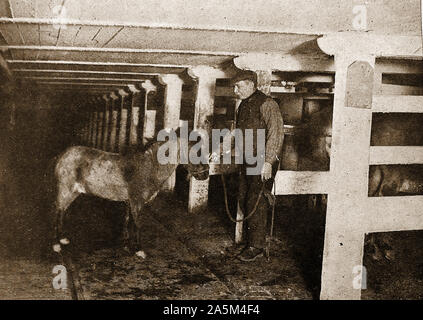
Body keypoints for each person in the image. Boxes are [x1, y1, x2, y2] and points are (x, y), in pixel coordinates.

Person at [232, 71, 284, 262]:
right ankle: (252, 240)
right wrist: (221, 150)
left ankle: (256, 246)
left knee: (256, 199)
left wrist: (269, 162)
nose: (235, 90)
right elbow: (237, 132)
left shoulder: (268, 104)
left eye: (238, 86)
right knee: (244, 197)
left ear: (251, 84)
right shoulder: (244, 105)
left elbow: (276, 134)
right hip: (248, 158)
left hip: (262, 160)